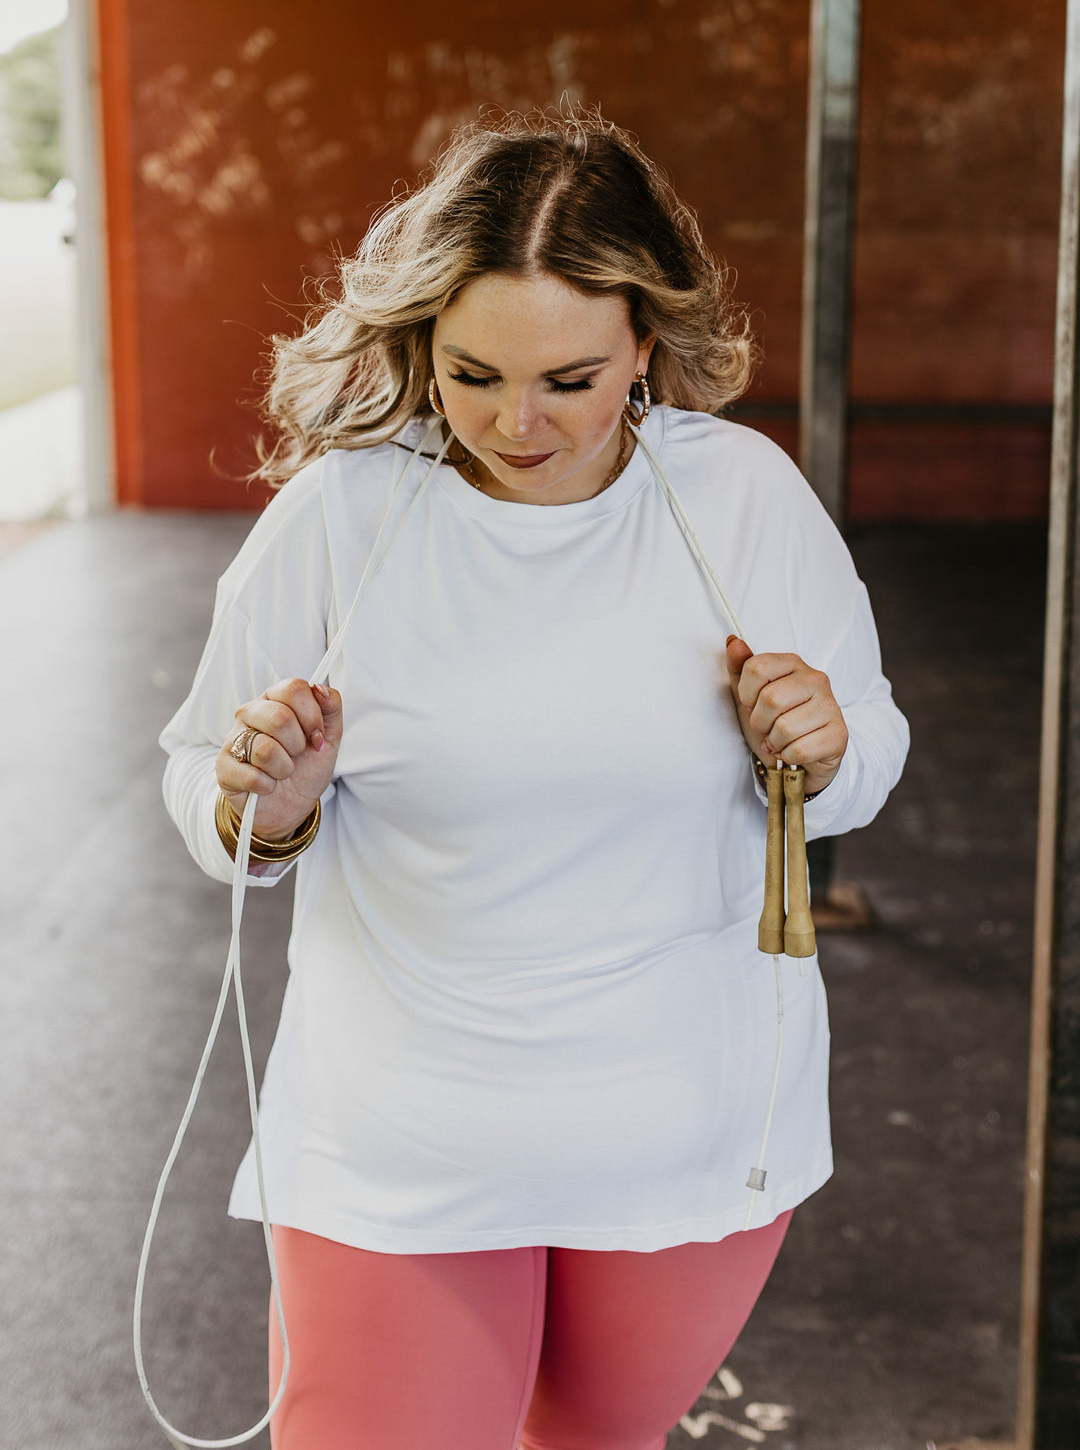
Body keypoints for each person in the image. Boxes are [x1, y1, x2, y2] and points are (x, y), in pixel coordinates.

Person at [158, 110, 909, 1450]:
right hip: (400, 1145)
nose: (518, 422)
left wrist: (828, 745)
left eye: (571, 378)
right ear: (419, 345)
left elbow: (863, 759)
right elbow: (200, 785)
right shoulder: (341, 518)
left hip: (686, 1139)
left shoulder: (743, 502)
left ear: (646, 345)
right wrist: (259, 812)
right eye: (471, 374)